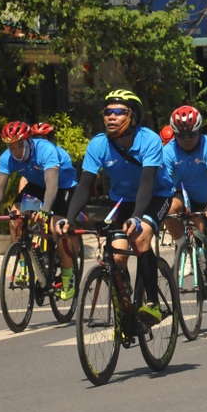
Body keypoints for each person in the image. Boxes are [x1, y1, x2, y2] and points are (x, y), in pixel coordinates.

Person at [55, 89, 175, 325]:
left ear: (133, 116)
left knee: (140, 240)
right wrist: (68, 219)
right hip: (122, 200)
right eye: (108, 112)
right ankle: (127, 301)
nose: (111, 117)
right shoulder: (98, 144)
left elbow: (147, 182)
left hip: (155, 196)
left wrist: (138, 218)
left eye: (119, 112)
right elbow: (84, 185)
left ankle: (153, 303)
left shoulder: (148, 139)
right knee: (118, 254)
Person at [0, 121, 80, 298]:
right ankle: (24, 264)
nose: (16, 152)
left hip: (62, 185)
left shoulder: (45, 150)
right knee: (15, 216)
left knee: (56, 227)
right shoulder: (7, 157)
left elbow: (52, 186)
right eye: (11, 147)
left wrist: (44, 211)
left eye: (20, 145)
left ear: (29, 141)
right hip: (36, 185)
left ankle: (69, 274)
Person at [162, 105, 207, 320]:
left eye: (191, 134)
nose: (186, 139)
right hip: (192, 198)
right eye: (181, 135)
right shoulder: (168, 151)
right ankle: (184, 250)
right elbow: (164, 184)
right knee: (170, 209)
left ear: (199, 131)